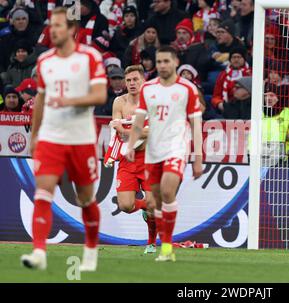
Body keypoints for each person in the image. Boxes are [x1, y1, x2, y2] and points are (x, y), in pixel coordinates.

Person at [20, 7, 107, 271]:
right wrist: (35, 135)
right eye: (50, 25)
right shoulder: (45, 61)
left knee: (85, 199)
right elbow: (42, 100)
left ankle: (91, 251)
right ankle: (38, 252)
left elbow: (100, 96)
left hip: (81, 138)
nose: (52, 30)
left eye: (58, 25)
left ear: (72, 30)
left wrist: (70, 100)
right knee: (43, 192)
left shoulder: (89, 57)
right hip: (51, 137)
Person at [126, 46, 203, 262]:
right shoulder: (147, 89)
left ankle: (167, 248)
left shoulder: (187, 89)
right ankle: (165, 245)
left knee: (168, 192)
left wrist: (198, 158)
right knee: (155, 202)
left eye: (166, 61)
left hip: (176, 148)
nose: (162, 65)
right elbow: (139, 120)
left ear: (175, 62)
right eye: (159, 62)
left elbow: (196, 123)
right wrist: (131, 145)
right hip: (153, 151)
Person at [110, 65, 157, 254]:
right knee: (126, 206)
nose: (131, 83)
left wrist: (126, 130)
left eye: (135, 79)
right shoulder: (119, 102)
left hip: (150, 159)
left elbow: (153, 131)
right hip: (127, 159)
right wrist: (135, 132)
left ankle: (152, 243)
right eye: (128, 80)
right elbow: (116, 127)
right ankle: (150, 207)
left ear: (143, 81)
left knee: (153, 207)